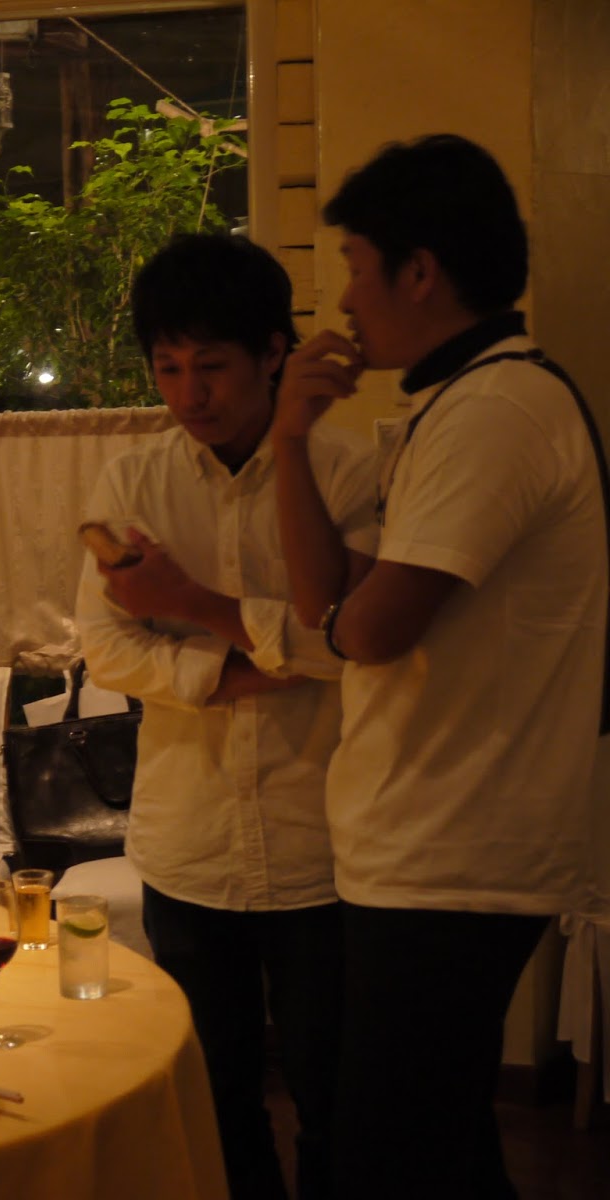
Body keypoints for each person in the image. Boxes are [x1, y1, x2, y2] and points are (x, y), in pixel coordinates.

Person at [272, 134, 607, 1199]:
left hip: (454, 850)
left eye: (355, 266)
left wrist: (341, 620)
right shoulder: (453, 404)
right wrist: (290, 440)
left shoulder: (496, 407)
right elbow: (326, 601)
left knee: (389, 1163)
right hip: (424, 843)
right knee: (442, 1152)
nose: (344, 299)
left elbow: (370, 630)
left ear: (419, 271)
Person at [76, 233, 378, 1200]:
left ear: (272, 353)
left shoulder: (348, 472)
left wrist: (192, 607)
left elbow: (356, 643)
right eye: (168, 368)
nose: (188, 393)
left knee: (337, 1103)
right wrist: (245, 668)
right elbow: (106, 649)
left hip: (324, 847)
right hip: (190, 847)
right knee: (215, 1103)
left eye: (210, 366)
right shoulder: (133, 481)